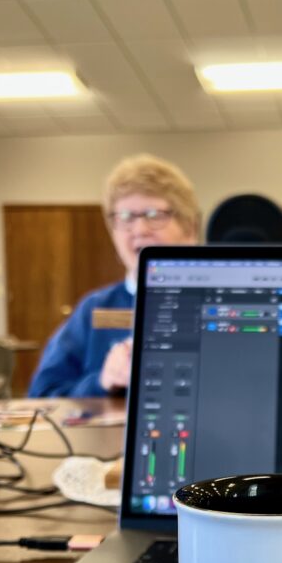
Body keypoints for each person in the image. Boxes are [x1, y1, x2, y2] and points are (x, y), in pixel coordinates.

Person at [28, 154, 200, 398]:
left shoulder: (218, 305)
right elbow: (41, 397)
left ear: (190, 228)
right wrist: (101, 381)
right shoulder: (95, 310)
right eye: (126, 217)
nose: (139, 230)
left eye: (155, 216)